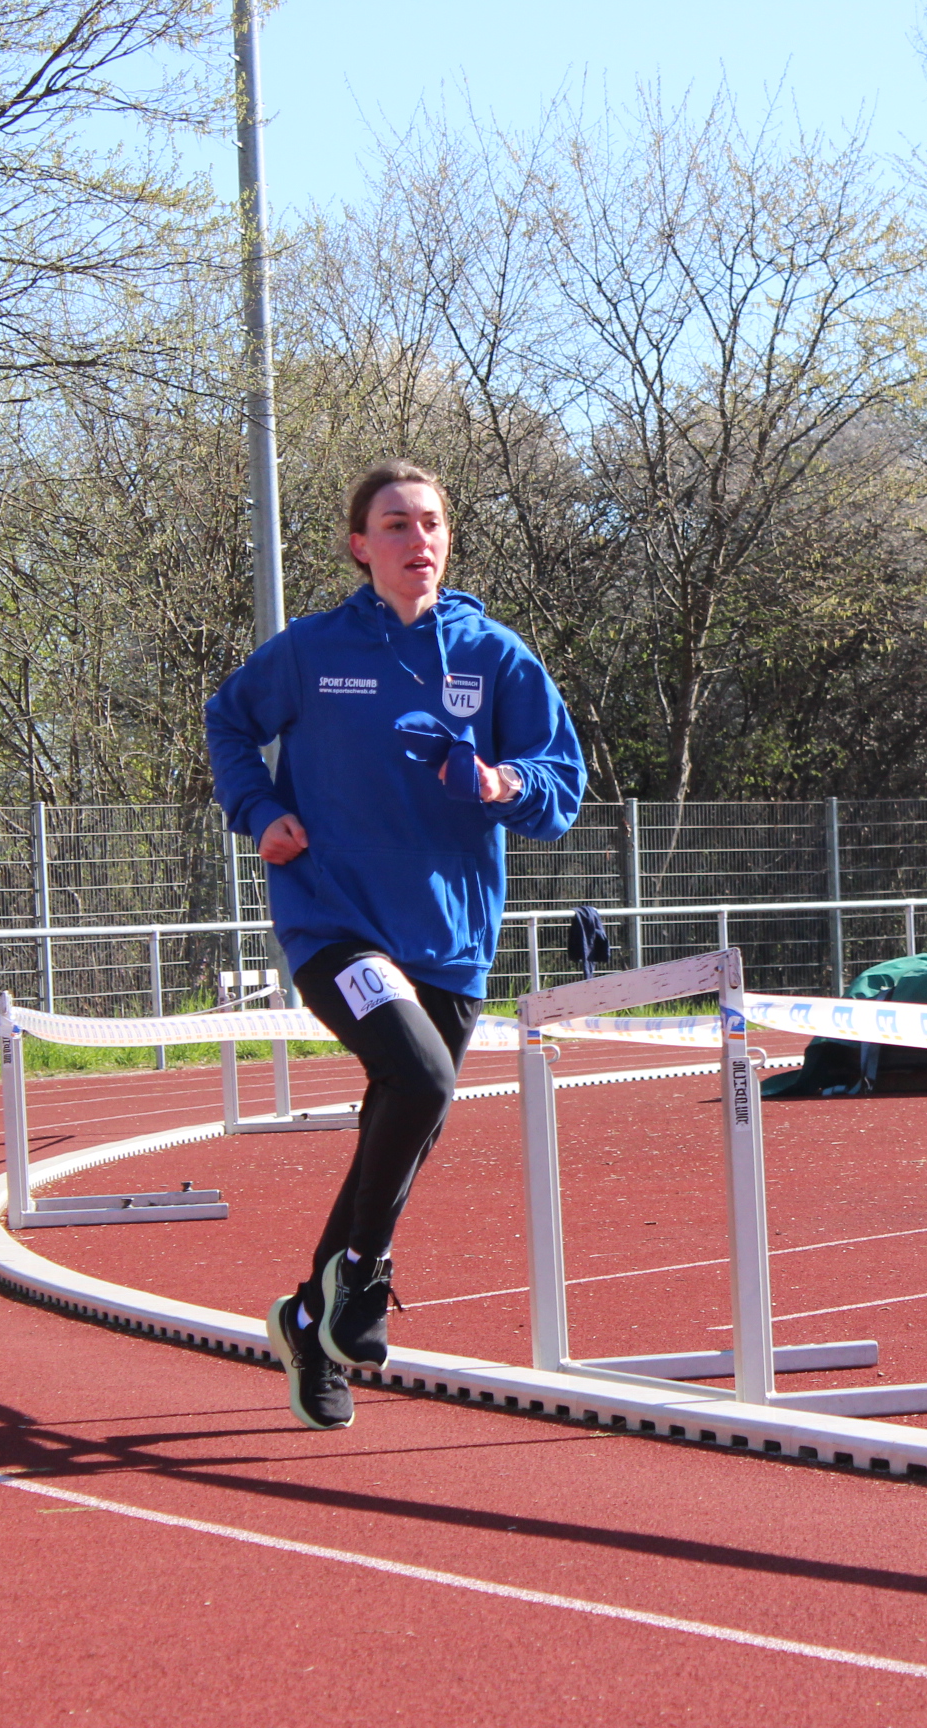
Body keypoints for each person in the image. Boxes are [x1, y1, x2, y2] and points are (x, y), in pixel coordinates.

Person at [204, 459, 584, 1430]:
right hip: (334, 921)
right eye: (396, 524)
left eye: (431, 523)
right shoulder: (314, 650)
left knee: (406, 1125)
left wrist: (503, 784)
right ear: (359, 546)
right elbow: (229, 722)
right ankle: (362, 1281)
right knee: (418, 1078)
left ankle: (308, 1317)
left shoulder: (494, 657)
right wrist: (259, 811)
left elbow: (560, 787)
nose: (418, 540)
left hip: (450, 939)